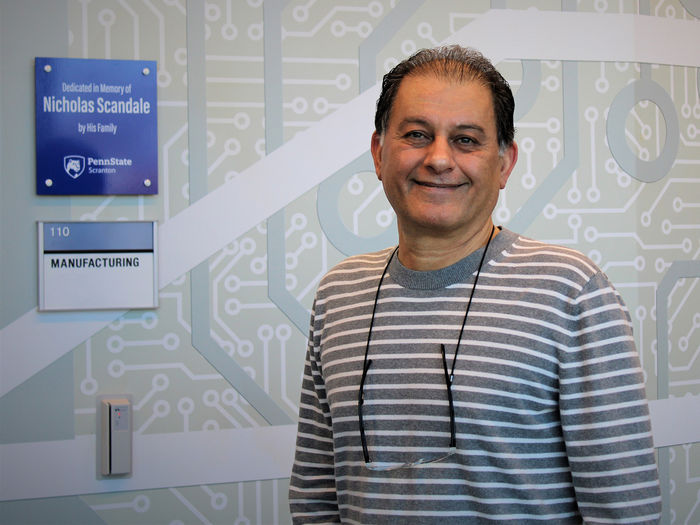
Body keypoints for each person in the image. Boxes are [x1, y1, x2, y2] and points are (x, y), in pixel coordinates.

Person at [288, 45, 661, 524]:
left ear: (504, 163)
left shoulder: (571, 292)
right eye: (417, 134)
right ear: (379, 153)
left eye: (466, 140)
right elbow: (315, 495)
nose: (439, 159)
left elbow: (625, 510)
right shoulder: (338, 295)